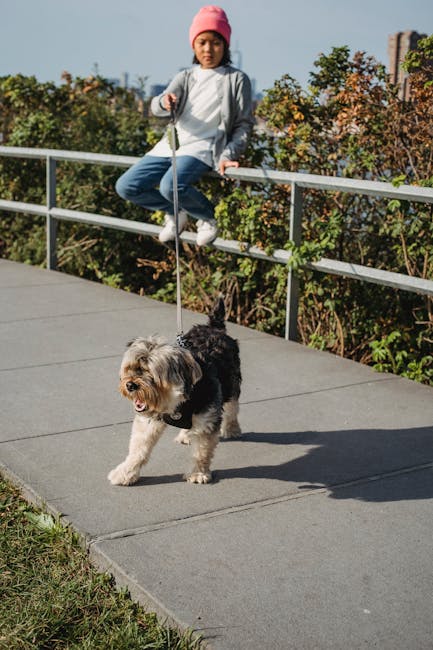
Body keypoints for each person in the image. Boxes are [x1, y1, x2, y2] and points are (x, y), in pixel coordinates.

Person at [115, 5, 254, 246]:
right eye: (202, 43)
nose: (208, 49)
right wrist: (163, 101)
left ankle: (208, 217)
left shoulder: (236, 79)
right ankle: (175, 212)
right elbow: (157, 108)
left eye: (216, 43)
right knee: (127, 186)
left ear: (225, 46)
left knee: (171, 185)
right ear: (193, 45)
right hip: (171, 146)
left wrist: (229, 154)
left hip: (202, 148)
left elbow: (243, 124)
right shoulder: (185, 77)